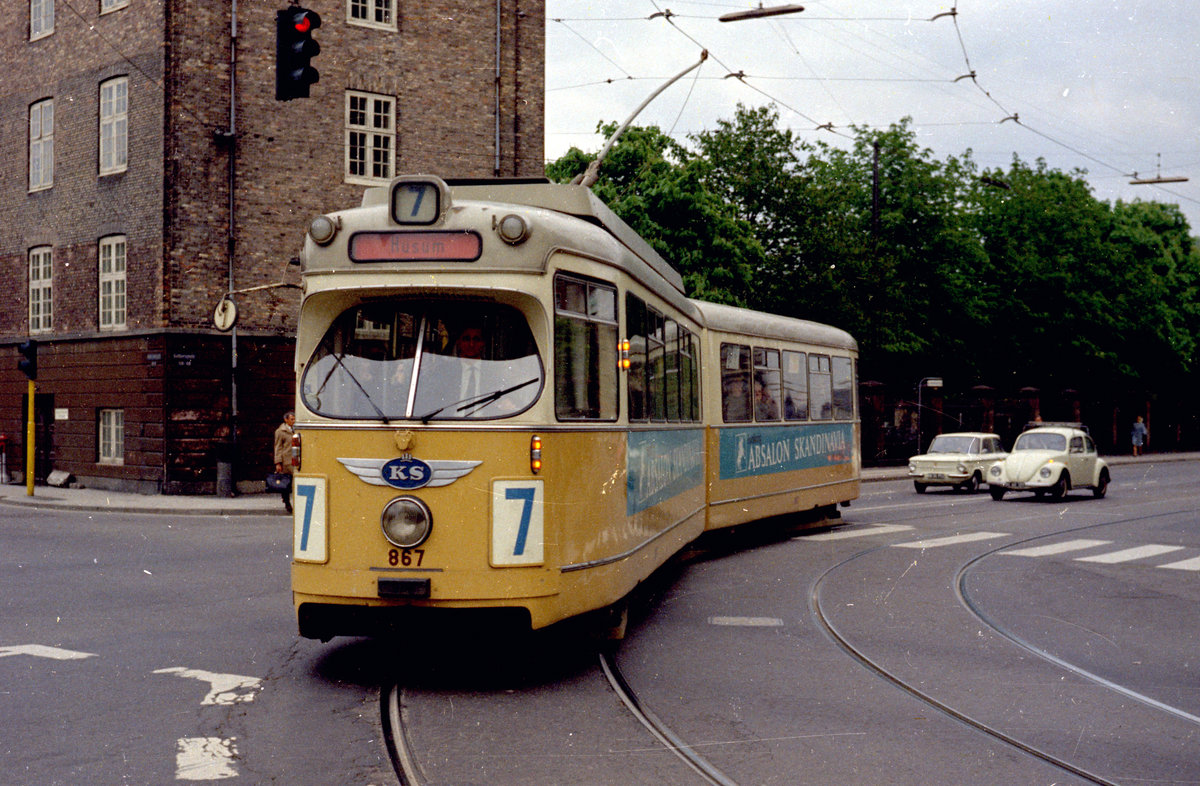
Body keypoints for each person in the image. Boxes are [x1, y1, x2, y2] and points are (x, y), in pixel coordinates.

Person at [273, 410, 295, 512]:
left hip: (296, 461)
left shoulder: (297, 430)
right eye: (292, 419)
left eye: (294, 419)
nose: (294, 421)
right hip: (286, 461)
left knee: (295, 483)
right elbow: (278, 447)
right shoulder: (280, 431)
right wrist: (278, 462)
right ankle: (287, 502)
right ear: (286, 420)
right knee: (286, 483)